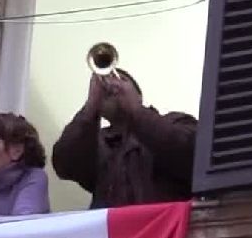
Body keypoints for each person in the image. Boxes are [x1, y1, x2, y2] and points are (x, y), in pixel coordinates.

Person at [52, 69, 196, 208]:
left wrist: (136, 111)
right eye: (104, 84)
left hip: (165, 229)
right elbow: (65, 164)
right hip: (114, 231)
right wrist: (90, 107)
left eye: (120, 80)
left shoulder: (175, 121)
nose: (110, 85)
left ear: (138, 95)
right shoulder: (95, 143)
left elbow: (191, 151)